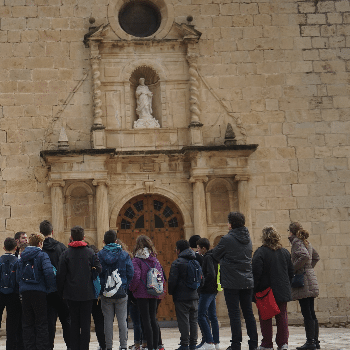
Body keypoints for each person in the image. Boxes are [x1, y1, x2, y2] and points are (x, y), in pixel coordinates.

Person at [212, 212, 258, 350]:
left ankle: (236, 344)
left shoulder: (227, 239)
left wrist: (224, 259)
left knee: (234, 313)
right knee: (248, 313)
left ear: (231, 224)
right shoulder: (249, 238)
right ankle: (253, 344)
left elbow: (215, 255)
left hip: (231, 281)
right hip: (247, 281)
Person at [57, 226, 102, 350]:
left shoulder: (66, 253)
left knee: (74, 323)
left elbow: (61, 275)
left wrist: (60, 293)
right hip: (87, 294)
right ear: (84, 237)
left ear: (71, 238)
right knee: (85, 323)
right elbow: (99, 268)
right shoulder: (90, 252)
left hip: (71, 294)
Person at [252, 226, 294, 350]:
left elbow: (256, 272)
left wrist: (255, 289)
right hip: (282, 289)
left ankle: (267, 344)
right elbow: (291, 272)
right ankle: (283, 343)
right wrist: (287, 285)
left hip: (265, 291)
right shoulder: (285, 252)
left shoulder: (260, 252)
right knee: (282, 317)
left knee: (265, 317)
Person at [17, 233, 56, 350]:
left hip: (25, 293)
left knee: (27, 323)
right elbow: (49, 272)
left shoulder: (22, 256)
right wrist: (49, 288)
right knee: (41, 323)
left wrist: (22, 287)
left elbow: (18, 275)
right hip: (39, 292)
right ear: (40, 243)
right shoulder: (42, 255)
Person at [98, 230, 134, 350]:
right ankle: (123, 346)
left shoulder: (100, 255)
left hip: (106, 292)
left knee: (107, 321)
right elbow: (130, 272)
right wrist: (124, 286)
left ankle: (109, 346)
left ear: (104, 242)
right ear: (116, 241)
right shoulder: (124, 254)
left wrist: (102, 288)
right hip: (121, 292)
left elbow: (98, 273)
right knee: (122, 320)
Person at [129, 235, 165, 350]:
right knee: (153, 319)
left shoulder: (136, 260)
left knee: (145, 320)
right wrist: (159, 289)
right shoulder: (154, 259)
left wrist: (132, 288)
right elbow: (161, 277)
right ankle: (155, 346)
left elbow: (136, 276)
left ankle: (149, 346)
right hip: (154, 292)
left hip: (141, 294)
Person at [288, 223, 320, 350]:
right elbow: (315, 257)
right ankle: (315, 342)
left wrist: (294, 269)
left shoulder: (297, 242)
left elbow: (305, 256)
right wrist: (309, 268)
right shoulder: (307, 242)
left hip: (303, 281)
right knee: (311, 312)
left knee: (307, 312)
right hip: (310, 279)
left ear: (291, 232)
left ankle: (310, 342)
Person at [40, 220, 71, 350]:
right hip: (62, 291)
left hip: (46, 292)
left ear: (41, 233)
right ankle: (71, 346)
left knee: (49, 323)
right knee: (67, 321)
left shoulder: (40, 249)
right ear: (52, 232)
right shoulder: (62, 247)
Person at [168, 240, 199, 350]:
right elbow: (202, 280)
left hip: (181, 298)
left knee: (184, 321)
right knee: (193, 321)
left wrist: (171, 292)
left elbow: (172, 281)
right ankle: (193, 344)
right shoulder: (196, 262)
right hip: (194, 296)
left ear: (179, 250)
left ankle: (185, 344)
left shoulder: (177, 263)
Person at [0, 237, 24, 350]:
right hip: (14, 295)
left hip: (0, 294)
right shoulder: (17, 262)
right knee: (12, 326)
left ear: (4, 247)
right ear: (16, 248)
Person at [196, 238, 219, 350]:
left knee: (200, 315)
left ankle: (209, 341)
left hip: (207, 291)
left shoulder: (208, 257)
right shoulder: (213, 256)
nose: (198, 250)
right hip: (213, 290)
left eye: (199, 248)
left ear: (203, 248)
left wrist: (202, 284)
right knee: (212, 316)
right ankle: (216, 342)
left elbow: (211, 274)